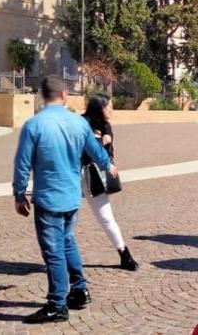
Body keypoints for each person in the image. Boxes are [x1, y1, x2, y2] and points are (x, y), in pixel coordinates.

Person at [12, 76, 117, 324]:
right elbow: (96, 151)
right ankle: (79, 290)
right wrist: (108, 165)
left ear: (41, 96)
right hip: (71, 196)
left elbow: (22, 164)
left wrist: (19, 194)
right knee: (67, 241)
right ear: (64, 95)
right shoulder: (78, 123)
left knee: (53, 251)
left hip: (49, 198)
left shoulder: (34, 125)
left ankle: (57, 304)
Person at [81, 94, 138, 271]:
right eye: (109, 107)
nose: (112, 110)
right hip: (74, 175)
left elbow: (107, 152)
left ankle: (124, 253)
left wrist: (104, 143)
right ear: (99, 108)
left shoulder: (106, 126)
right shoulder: (81, 123)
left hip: (95, 177)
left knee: (106, 217)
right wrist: (99, 142)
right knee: (66, 220)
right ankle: (60, 259)